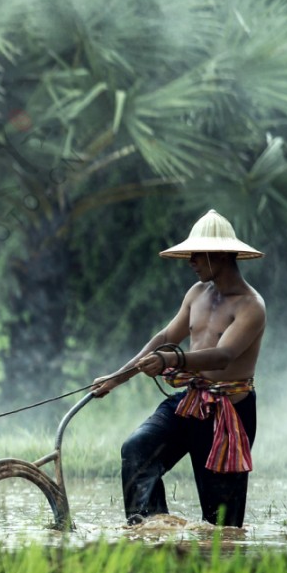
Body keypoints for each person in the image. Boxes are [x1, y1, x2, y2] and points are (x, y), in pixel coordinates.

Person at [89, 210, 266, 527]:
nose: (190, 261)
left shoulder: (250, 305)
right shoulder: (197, 294)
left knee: (220, 522)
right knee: (137, 450)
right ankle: (151, 530)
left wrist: (172, 360)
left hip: (228, 414)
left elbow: (223, 355)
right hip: (191, 401)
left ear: (220, 256)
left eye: (197, 254)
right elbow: (166, 337)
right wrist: (117, 379)